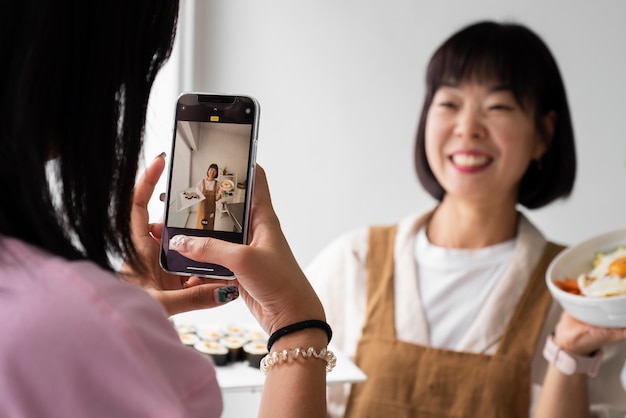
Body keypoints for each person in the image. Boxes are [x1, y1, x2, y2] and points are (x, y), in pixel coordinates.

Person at [0, 2, 330, 417]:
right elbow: (194, 194)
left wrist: (117, 315)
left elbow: (224, 190)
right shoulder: (71, 326)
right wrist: (298, 327)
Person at [306, 21, 626, 418]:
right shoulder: (353, 262)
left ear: (543, 134)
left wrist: (570, 354)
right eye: (449, 103)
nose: (468, 128)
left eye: (498, 107)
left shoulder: (577, 295)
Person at [196, 163, 224, 230]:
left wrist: (220, 192)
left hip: (211, 208)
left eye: (214, 171)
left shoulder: (217, 184)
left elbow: (216, 199)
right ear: (208, 171)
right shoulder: (201, 182)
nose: (212, 172)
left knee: (209, 225)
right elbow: (196, 196)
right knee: (200, 225)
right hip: (202, 208)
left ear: (216, 173)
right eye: (211, 170)